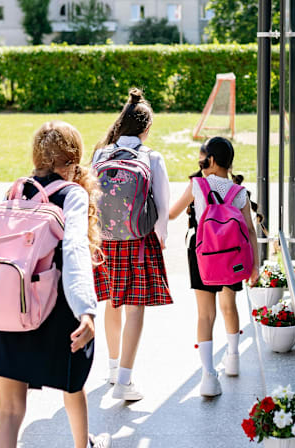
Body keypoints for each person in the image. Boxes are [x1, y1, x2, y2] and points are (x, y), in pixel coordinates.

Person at [0, 121, 113, 448]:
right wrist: (86, 309)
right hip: (55, 308)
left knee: (9, 408)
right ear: (73, 159)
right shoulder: (72, 195)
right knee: (72, 384)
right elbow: (74, 249)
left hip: (12, 306)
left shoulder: (15, 192)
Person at [92, 88, 172, 402]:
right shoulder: (152, 157)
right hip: (139, 240)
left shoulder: (101, 155)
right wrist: (161, 237)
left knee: (112, 302)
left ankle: (113, 370)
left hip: (105, 240)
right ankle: (124, 381)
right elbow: (162, 206)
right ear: (146, 128)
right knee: (135, 307)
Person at [169, 137, 259, 397]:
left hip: (203, 254)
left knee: (205, 315)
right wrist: (254, 265)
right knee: (229, 306)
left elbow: (172, 213)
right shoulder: (239, 192)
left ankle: (208, 376)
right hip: (233, 255)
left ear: (210, 160)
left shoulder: (197, 185)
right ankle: (233, 357)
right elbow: (250, 231)